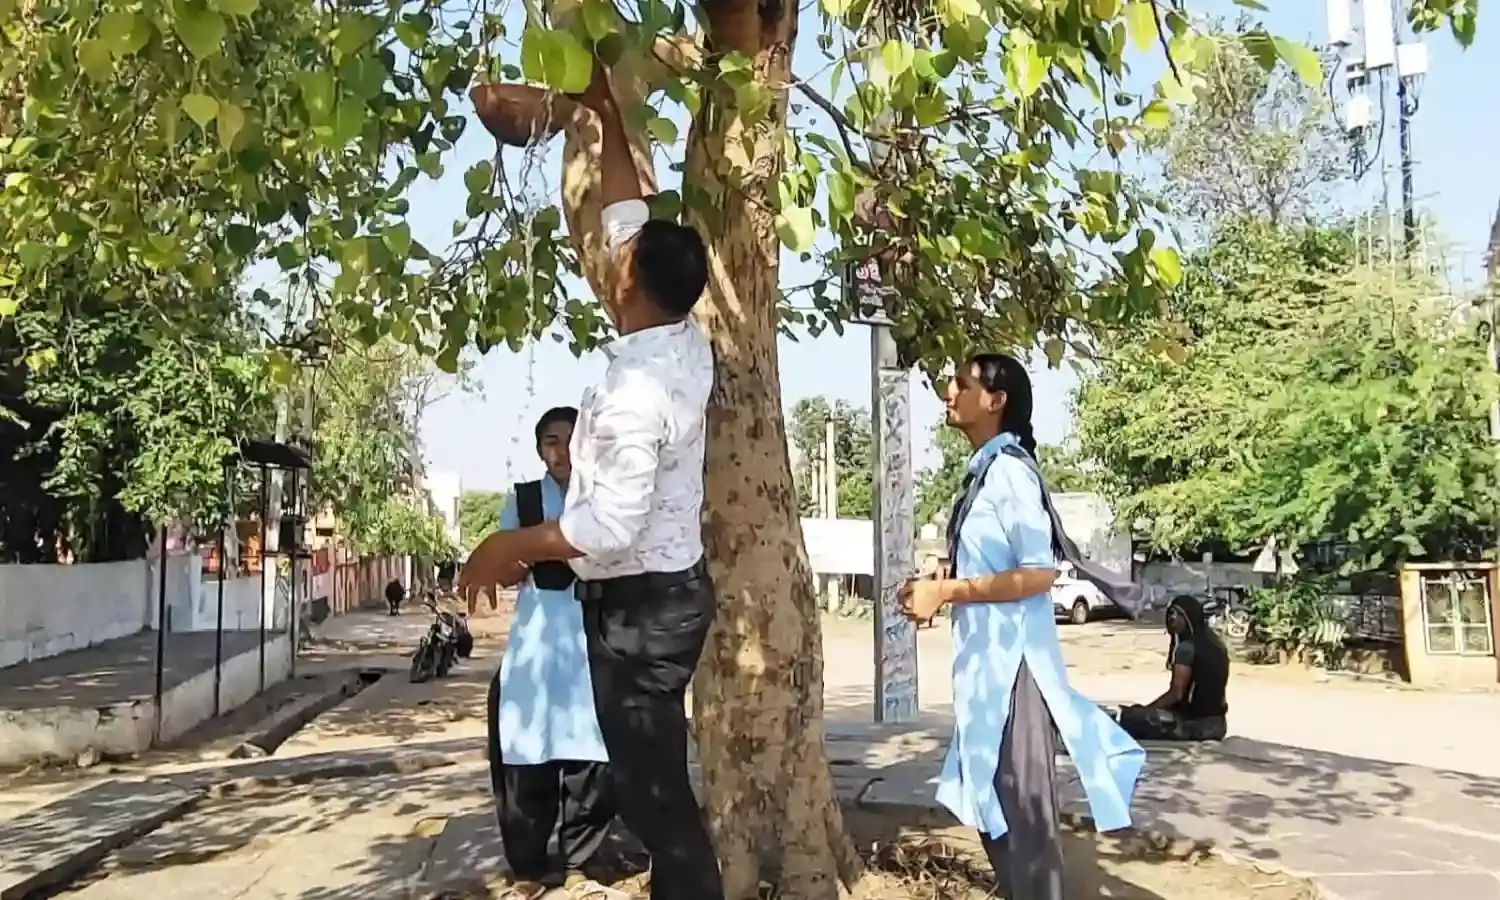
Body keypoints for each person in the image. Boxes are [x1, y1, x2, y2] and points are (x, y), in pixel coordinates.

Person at [459, 58, 721, 900]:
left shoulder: (645, 391)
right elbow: (623, 209)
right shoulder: (673, 334)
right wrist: (598, 107)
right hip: (640, 602)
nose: (613, 250)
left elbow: (603, 528)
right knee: (652, 797)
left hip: (645, 610)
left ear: (631, 280)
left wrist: (507, 543)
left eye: (624, 253)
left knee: (656, 806)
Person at [898, 353, 1145, 900]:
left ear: (996, 400)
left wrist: (950, 590)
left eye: (960, 384)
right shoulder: (984, 472)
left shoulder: (1009, 471)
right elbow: (993, 566)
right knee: (990, 803)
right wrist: (937, 582)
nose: (948, 393)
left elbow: (1038, 573)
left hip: (1016, 669)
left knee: (1024, 818)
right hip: (986, 666)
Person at [488, 407, 621, 900]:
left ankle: (581, 866)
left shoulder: (608, 500)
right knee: (529, 760)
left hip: (594, 647)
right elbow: (504, 573)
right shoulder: (522, 501)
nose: (560, 451)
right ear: (539, 448)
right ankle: (527, 867)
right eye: (550, 441)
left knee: (594, 763)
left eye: (569, 439)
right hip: (536, 653)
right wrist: (520, 555)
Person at [1117, 595, 1230, 742]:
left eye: (1177, 613)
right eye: (1170, 612)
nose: (1172, 617)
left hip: (1194, 726)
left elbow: (1176, 694)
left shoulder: (1187, 648)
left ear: (1189, 617)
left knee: (1132, 718)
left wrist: (1146, 710)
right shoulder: (1216, 644)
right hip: (1218, 724)